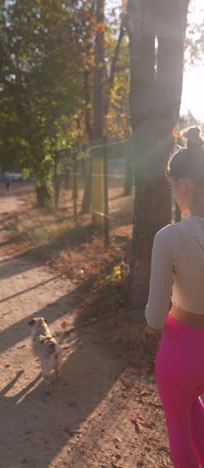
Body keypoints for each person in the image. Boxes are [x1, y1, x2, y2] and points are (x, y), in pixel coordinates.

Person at [145, 126, 204, 468]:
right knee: (195, 412)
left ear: (183, 185)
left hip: (180, 352)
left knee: (179, 427)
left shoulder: (169, 238)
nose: (171, 194)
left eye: (171, 187)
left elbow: (154, 319)